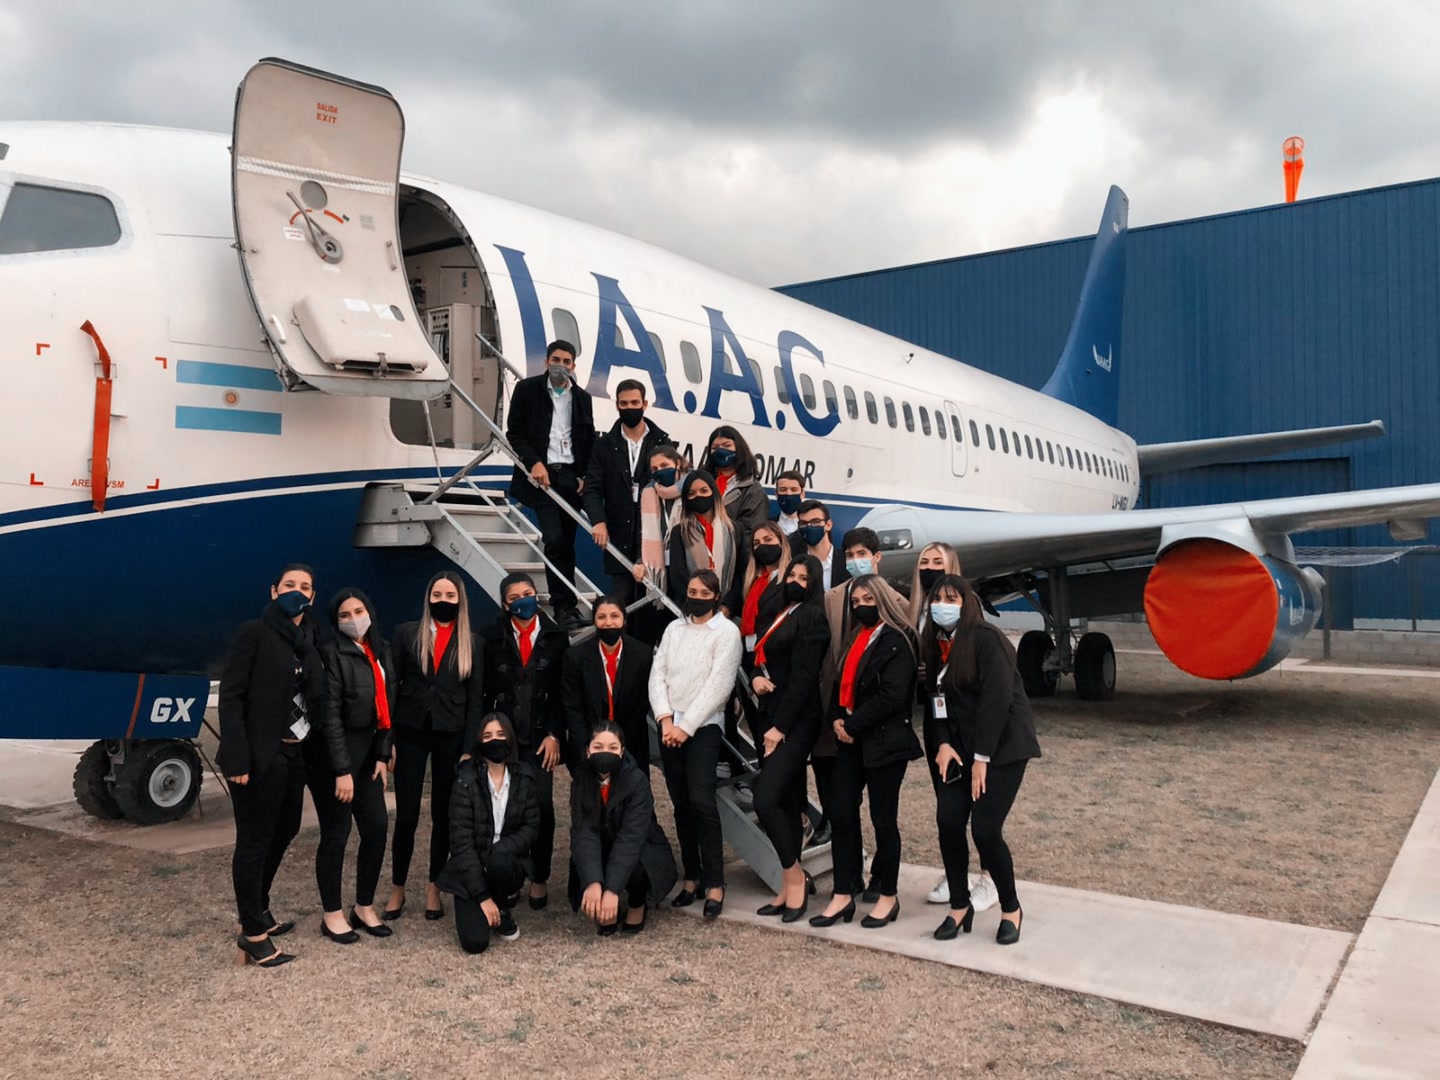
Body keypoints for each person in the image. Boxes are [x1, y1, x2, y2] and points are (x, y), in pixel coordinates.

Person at [920, 575, 1040, 945]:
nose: (943, 603)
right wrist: (941, 744)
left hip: (1001, 748)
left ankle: (1011, 909)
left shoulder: (987, 640)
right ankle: (959, 906)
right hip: (957, 748)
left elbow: (997, 702)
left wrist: (982, 757)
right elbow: (934, 701)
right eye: (937, 598)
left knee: (985, 829)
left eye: (951, 597)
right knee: (949, 821)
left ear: (967, 602)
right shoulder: (934, 644)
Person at [219, 563, 327, 968]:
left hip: (293, 753)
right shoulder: (254, 633)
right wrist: (237, 757)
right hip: (258, 755)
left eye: (305, 587)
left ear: (313, 597)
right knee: (253, 842)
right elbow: (230, 697)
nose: (297, 592)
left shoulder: (309, 639)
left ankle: (259, 907)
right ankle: (252, 934)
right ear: (273, 591)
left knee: (287, 828)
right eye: (289, 585)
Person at [810, 575, 922, 931]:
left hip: (884, 743)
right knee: (841, 814)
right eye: (855, 601)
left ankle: (888, 895)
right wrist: (837, 723)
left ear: (882, 600)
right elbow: (838, 686)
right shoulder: (855, 638)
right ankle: (843, 891)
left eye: (867, 599)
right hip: (849, 742)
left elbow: (892, 695)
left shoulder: (898, 640)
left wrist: (852, 724)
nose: (861, 606)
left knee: (883, 819)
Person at [386, 571, 484, 923]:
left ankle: (433, 886)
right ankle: (398, 886)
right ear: (428, 597)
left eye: (450, 595)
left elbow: (475, 700)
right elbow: (392, 686)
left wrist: (469, 746)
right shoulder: (406, 633)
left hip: (451, 734)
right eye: (437, 594)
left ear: (460, 600)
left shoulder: (472, 641)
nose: (443, 600)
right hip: (411, 731)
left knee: (444, 815)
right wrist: (390, 740)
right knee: (408, 815)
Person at [906, 542, 998, 913]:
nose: (929, 568)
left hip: (968, 718)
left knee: (980, 803)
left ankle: (990, 877)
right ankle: (953, 870)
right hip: (936, 717)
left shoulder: (963, 605)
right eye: (924, 562)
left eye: (937, 562)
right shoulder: (919, 611)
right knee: (948, 802)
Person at [650, 569, 743, 919]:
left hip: (702, 728)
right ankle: (692, 876)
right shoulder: (674, 628)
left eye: (704, 592)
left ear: (716, 596)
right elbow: (657, 674)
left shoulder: (727, 632)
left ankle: (715, 883)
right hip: (670, 725)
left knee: (702, 802)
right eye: (691, 590)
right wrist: (665, 719)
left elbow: (719, 685)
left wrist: (686, 727)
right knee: (680, 804)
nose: (696, 596)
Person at [809, 527, 905, 855]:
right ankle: (846, 862)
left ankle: (881, 878)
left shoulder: (898, 604)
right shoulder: (832, 598)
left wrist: (855, 723)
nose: (855, 561)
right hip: (837, 708)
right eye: (849, 556)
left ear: (876, 558)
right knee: (839, 796)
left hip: (874, 723)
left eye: (861, 554)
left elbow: (898, 682)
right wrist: (836, 716)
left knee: (882, 814)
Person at [479, 572, 568, 910]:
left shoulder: (556, 637)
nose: (523, 600)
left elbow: (563, 692)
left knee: (542, 807)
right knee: (504, 811)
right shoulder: (490, 638)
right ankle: (510, 874)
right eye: (515, 596)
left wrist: (555, 734)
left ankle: (540, 876)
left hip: (540, 739)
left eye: (528, 593)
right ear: (505, 603)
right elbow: (484, 690)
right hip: (503, 739)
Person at [747, 555, 830, 921]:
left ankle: (795, 878)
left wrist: (780, 728)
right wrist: (754, 679)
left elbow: (802, 678)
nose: (795, 581)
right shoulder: (780, 612)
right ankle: (788, 882)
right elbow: (759, 658)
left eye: (803, 577)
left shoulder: (812, 618)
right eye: (791, 575)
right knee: (789, 799)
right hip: (769, 715)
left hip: (794, 722)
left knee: (765, 799)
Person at [311, 588, 395, 944]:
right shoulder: (330, 654)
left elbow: (387, 707)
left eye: (358, 611)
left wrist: (382, 753)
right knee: (337, 834)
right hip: (335, 757)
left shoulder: (381, 650)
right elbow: (329, 715)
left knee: (376, 828)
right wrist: (341, 770)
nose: (353, 619)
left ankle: (363, 905)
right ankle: (331, 914)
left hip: (367, 756)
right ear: (335, 622)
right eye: (344, 615)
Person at [505, 339, 596, 630]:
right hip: (542, 477)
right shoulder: (527, 390)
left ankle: (567, 607)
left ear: (573, 366)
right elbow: (515, 433)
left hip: (570, 477)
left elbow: (587, 439)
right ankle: (561, 606)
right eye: (556, 360)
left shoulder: (582, 398)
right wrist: (534, 462)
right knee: (554, 540)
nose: (561, 366)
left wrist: (584, 475)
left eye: (566, 361)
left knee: (567, 544)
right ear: (546, 362)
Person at [436, 713, 539, 954]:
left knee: (500, 863)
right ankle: (487, 901)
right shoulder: (465, 780)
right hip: (471, 867)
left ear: (511, 740)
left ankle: (502, 907)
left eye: (501, 735)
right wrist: (482, 896)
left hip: (504, 863)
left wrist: (498, 851)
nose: (495, 740)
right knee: (475, 943)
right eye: (488, 735)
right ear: (479, 742)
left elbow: (531, 827)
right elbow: (460, 844)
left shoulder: (524, 777)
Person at [570, 721, 678, 935]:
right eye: (598, 747)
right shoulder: (581, 779)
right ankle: (607, 902)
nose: (605, 753)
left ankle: (637, 903)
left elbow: (631, 838)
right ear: (587, 750)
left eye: (612, 748)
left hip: (640, 846)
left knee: (636, 864)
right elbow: (584, 832)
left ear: (622, 752)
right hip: (603, 842)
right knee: (589, 855)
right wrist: (593, 882)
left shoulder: (637, 780)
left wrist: (611, 890)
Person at [583, 378, 671, 608]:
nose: (629, 408)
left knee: (649, 601)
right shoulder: (603, 445)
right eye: (624, 403)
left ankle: (646, 644)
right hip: (618, 531)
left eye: (634, 402)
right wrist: (598, 521)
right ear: (617, 405)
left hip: (651, 533)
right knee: (622, 599)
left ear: (645, 403)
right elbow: (592, 488)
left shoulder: (662, 442)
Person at [562, 597, 655, 769]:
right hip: (590, 742)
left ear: (624, 619)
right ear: (594, 621)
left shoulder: (642, 654)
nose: (608, 622)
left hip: (632, 742)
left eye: (614, 616)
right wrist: (586, 747)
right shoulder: (575, 656)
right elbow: (573, 708)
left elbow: (643, 702)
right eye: (601, 617)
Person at [629, 443, 691, 643]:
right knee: (659, 628)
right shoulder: (649, 494)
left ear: (678, 463)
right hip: (658, 571)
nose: (660, 472)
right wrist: (640, 560)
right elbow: (644, 535)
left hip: (686, 569)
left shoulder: (693, 490)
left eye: (665, 465)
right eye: (655, 469)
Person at [664, 469, 745, 616]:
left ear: (714, 493)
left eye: (704, 490)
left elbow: (741, 573)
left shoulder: (734, 530)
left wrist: (728, 606)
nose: (698, 496)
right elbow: (678, 577)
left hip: (726, 614)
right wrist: (699, 606)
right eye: (691, 493)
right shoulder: (679, 532)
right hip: (691, 610)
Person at [700, 425, 768, 549]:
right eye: (715, 448)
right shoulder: (702, 483)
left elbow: (751, 533)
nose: (720, 451)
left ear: (739, 448)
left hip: (732, 558)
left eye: (727, 445)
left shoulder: (752, 490)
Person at [738, 521, 792, 657]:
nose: (762, 545)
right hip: (749, 651)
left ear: (781, 542)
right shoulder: (752, 580)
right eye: (756, 543)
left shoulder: (790, 579)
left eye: (768, 539)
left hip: (776, 654)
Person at [789, 499, 848, 592]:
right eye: (803, 523)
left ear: (828, 525)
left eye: (815, 521)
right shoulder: (793, 562)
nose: (809, 526)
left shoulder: (847, 560)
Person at [771, 470, 806, 537]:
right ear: (776, 494)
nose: (788, 494)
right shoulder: (768, 526)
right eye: (783, 490)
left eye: (794, 489)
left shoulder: (810, 527)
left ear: (802, 494)